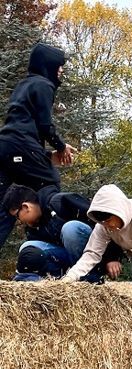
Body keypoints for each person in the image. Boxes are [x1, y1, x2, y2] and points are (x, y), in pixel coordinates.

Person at [0, 43, 78, 252]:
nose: (61, 70)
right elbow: (45, 125)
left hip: (5, 147)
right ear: (49, 65)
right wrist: (60, 147)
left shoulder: (23, 85)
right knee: (49, 184)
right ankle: (51, 246)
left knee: (6, 208)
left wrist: (45, 154)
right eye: (59, 65)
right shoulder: (44, 84)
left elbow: (20, 128)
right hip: (21, 145)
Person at [1, 183, 121, 282]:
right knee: (27, 247)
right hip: (67, 261)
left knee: (70, 228)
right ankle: (53, 280)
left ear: (26, 207)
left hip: (95, 254)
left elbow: (106, 222)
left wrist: (113, 257)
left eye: (17, 216)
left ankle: (90, 278)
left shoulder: (62, 201)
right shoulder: (32, 228)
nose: (19, 221)